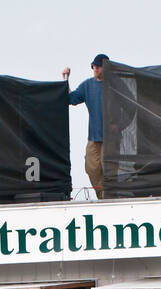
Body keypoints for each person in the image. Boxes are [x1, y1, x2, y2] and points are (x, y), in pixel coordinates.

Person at [63, 53, 109, 198]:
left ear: (105, 67)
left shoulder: (114, 85)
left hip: (111, 139)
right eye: (93, 66)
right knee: (91, 168)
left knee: (109, 171)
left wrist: (118, 126)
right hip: (93, 138)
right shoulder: (87, 85)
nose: (95, 68)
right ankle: (102, 198)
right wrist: (66, 79)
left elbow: (129, 108)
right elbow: (71, 98)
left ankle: (110, 199)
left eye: (98, 66)